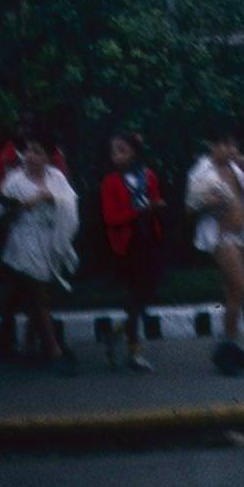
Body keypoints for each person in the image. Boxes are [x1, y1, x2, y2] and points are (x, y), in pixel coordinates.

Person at [185, 121, 244, 376]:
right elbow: (189, 208)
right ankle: (223, 350)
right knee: (242, 288)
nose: (229, 149)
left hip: (242, 236)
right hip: (221, 237)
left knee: (233, 294)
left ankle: (231, 347)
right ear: (213, 146)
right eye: (224, 144)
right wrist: (208, 202)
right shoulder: (202, 172)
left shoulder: (237, 169)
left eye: (232, 144)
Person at [0, 134, 79, 375]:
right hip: (24, 240)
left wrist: (51, 197)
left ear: (47, 158)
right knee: (39, 293)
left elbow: (71, 204)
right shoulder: (14, 181)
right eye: (29, 151)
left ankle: (26, 344)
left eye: (37, 152)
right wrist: (26, 204)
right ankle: (53, 349)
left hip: (48, 240)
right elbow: (2, 215)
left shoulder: (57, 178)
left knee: (34, 293)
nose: (31, 157)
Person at [99, 130, 165, 372]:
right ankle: (134, 350)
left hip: (149, 241)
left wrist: (155, 207)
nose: (116, 156)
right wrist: (142, 211)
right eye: (113, 152)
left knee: (145, 295)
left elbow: (155, 200)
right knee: (134, 296)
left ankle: (116, 332)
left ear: (134, 153)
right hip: (127, 245)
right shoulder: (111, 182)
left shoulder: (147, 176)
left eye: (122, 150)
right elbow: (111, 217)